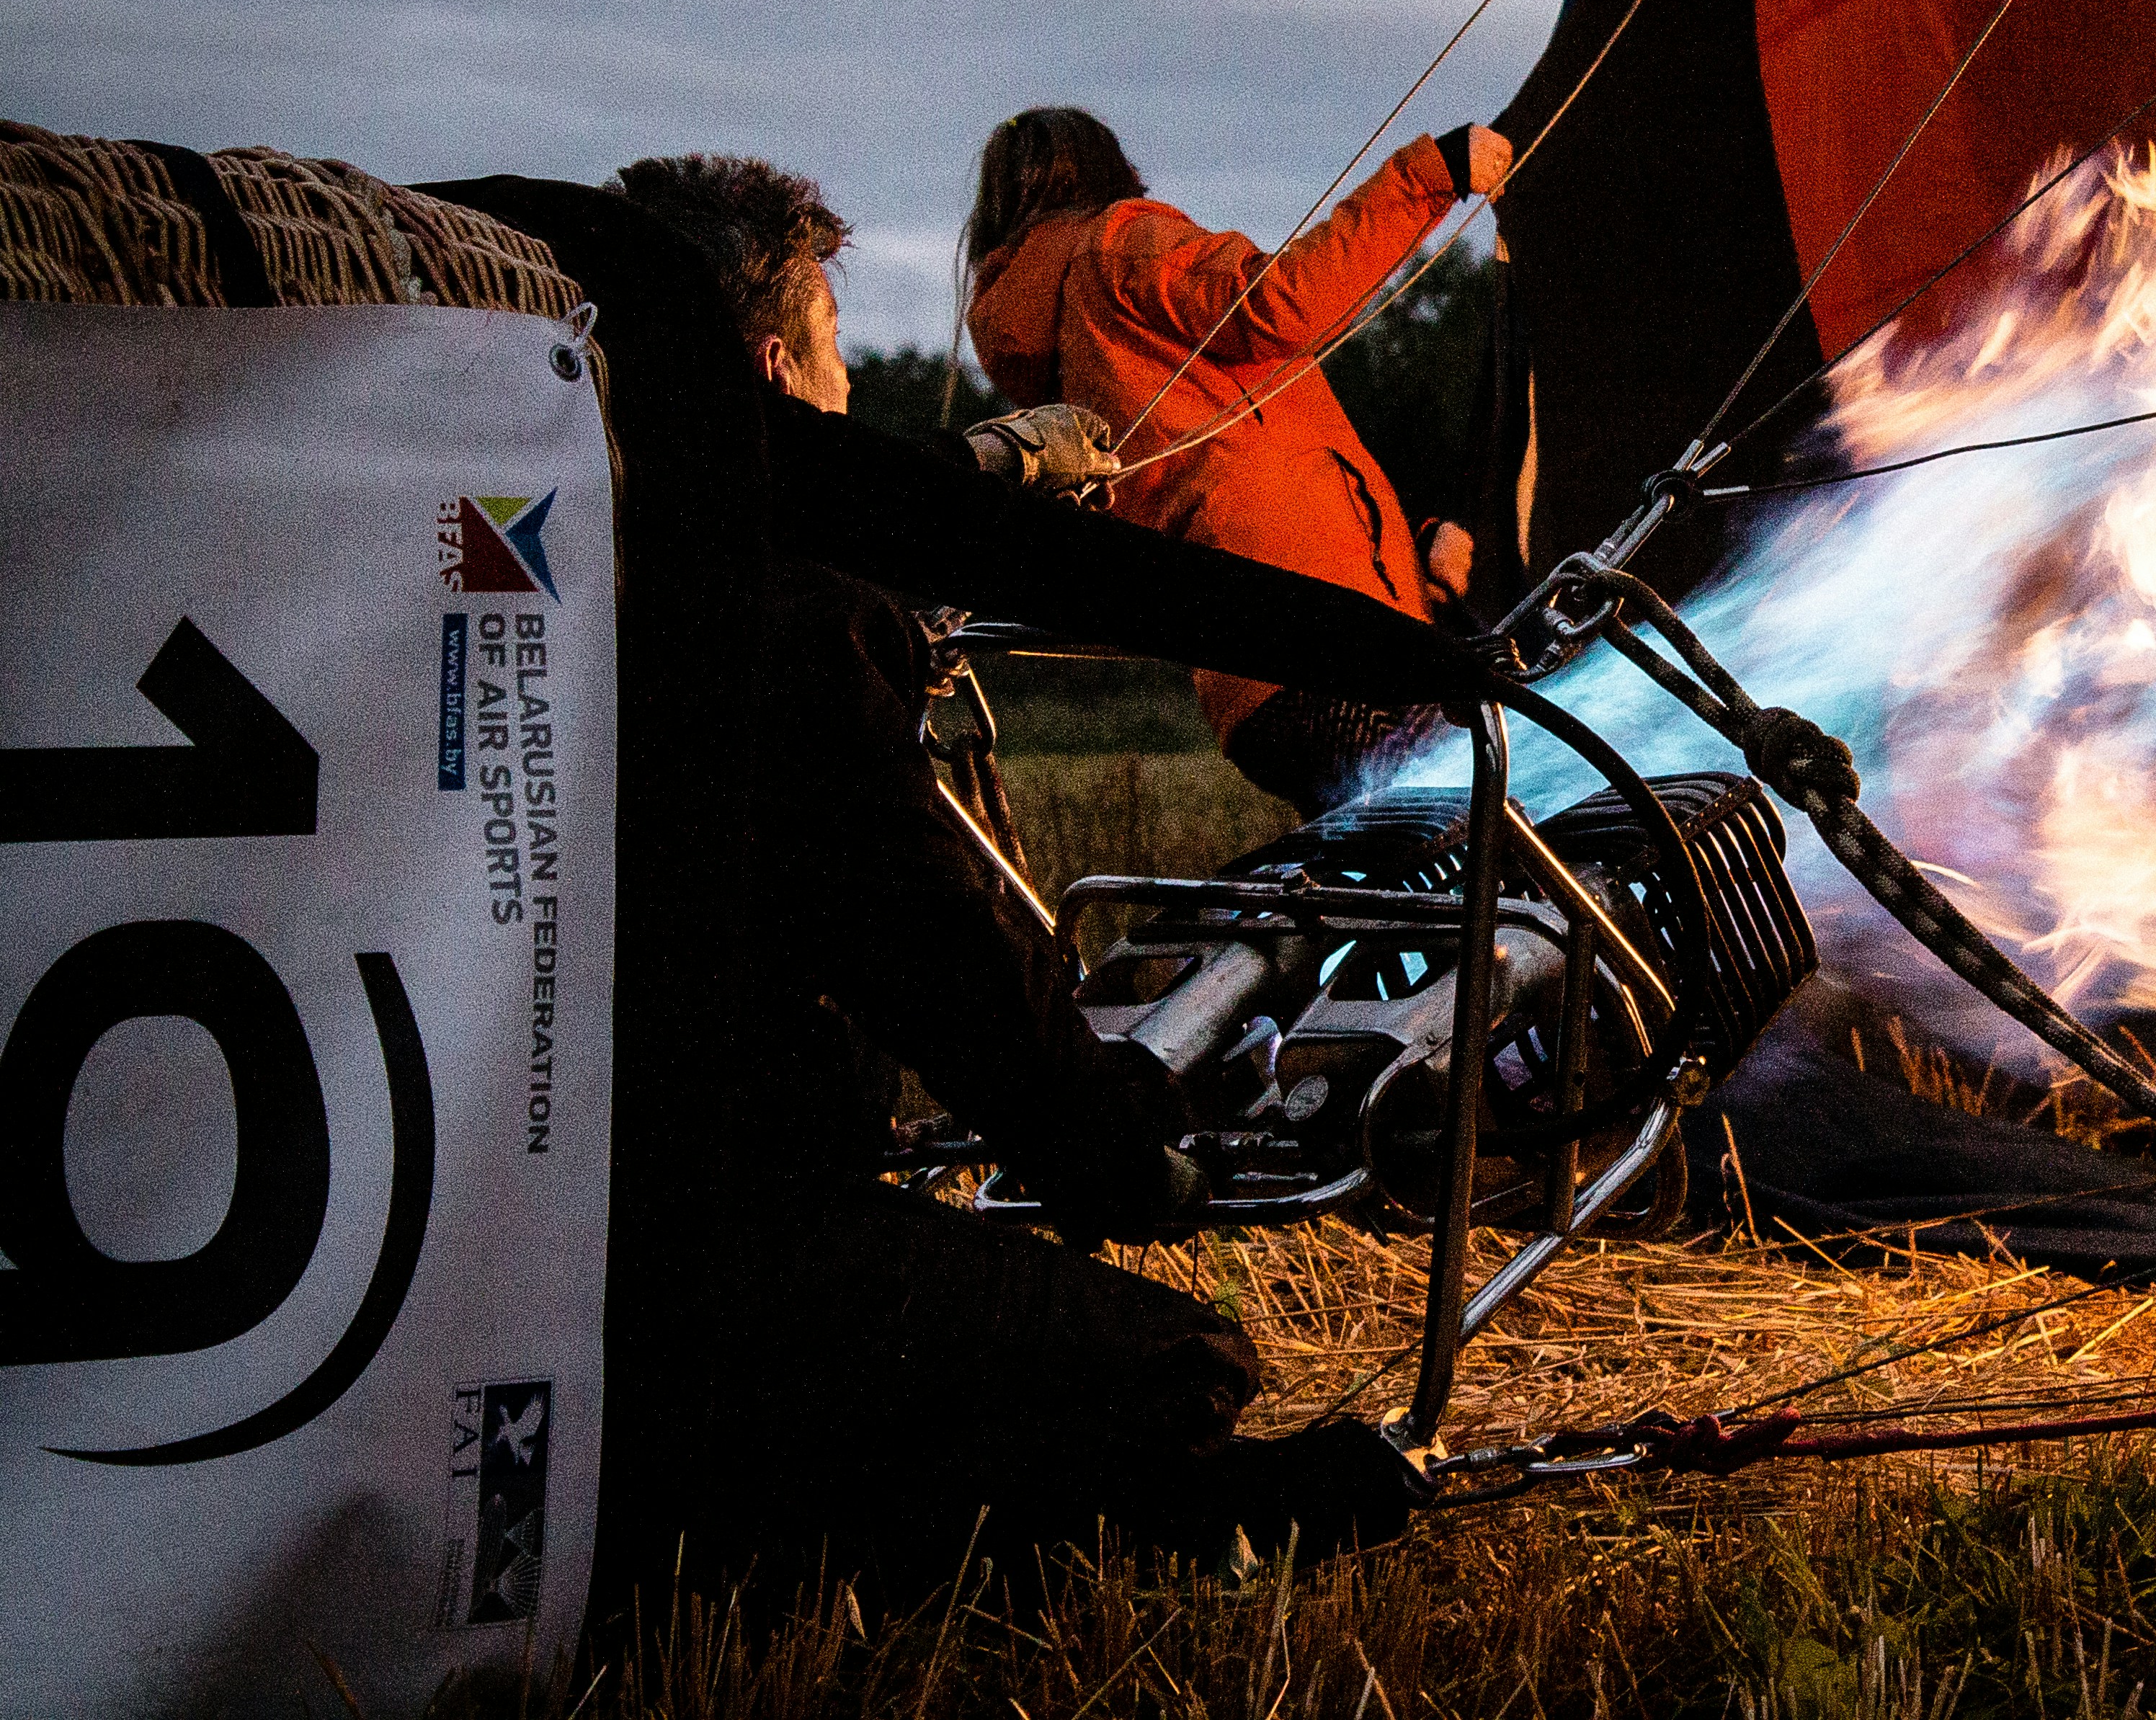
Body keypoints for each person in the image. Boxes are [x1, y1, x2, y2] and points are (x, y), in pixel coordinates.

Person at [603, 153, 1422, 1587]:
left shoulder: (597, 548)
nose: (852, 396)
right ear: (770, 366)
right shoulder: (788, 627)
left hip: (560, 1230)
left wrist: (985, 467)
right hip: (716, 1247)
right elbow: (937, 948)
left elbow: (781, 487)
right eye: (836, 359)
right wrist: (1119, 1147)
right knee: (1174, 1362)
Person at [958, 108, 1509, 812]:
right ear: (1105, 168)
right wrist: (1431, 174)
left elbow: (1232, 476)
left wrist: (1409, 550)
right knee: (1507, 831)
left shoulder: (1073, 351)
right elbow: (1279, 303)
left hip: (1254, 687)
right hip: (1331, 644)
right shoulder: (1121, 243)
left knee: (1411, 887)